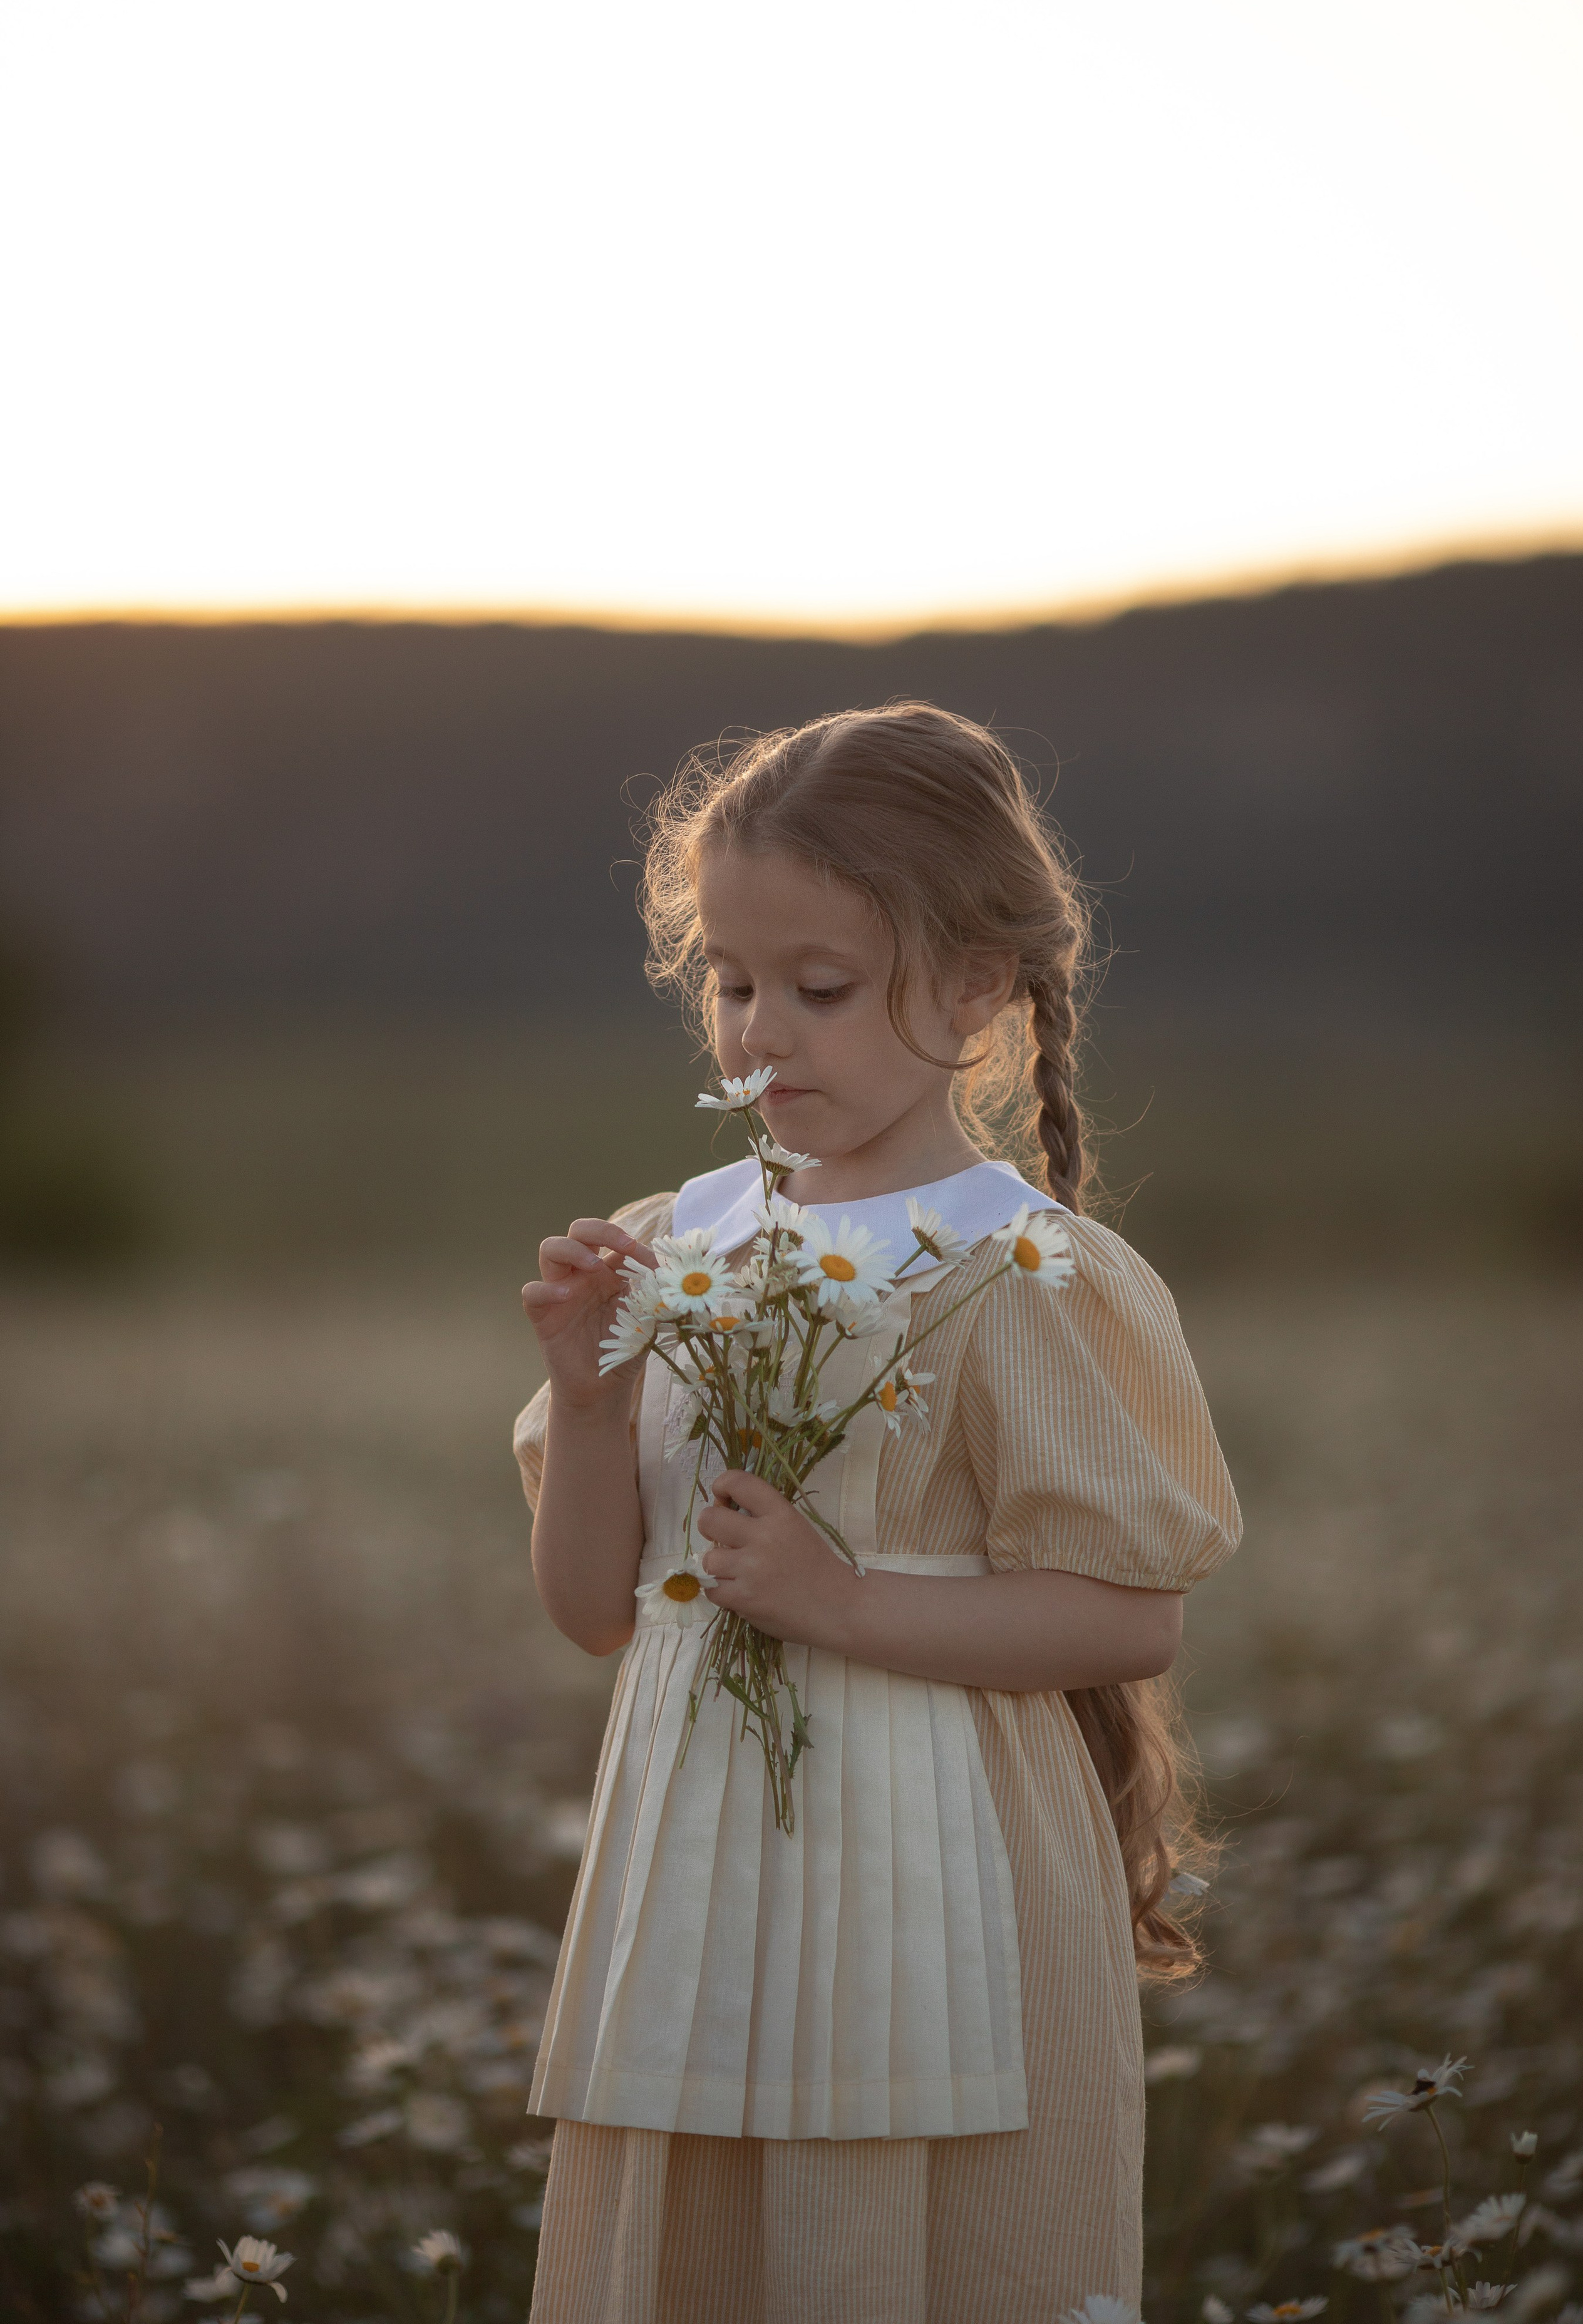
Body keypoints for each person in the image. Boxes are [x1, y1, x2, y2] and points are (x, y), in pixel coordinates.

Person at [514, 703, 1241, 2324]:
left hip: (943, 1880)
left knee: (903, 2260)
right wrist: (588, 1394)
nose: (760, 1034)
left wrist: (843, 1608)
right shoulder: (676, 1243)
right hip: (690, 1870)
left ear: (977, 986)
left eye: (819, 989)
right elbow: (593, 1616)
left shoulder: (1020, 1267)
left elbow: (1134, 1615)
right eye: (730, 981)